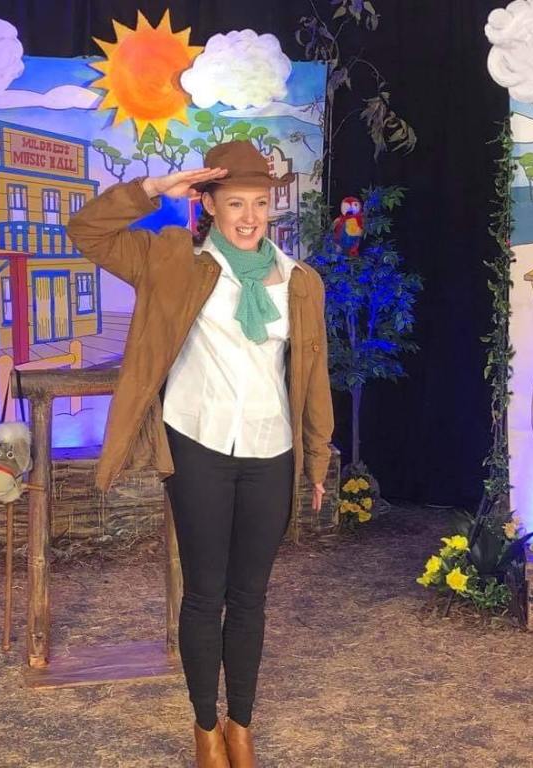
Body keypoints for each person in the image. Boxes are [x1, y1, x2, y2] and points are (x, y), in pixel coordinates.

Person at [67, 140, 333, 768]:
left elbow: (313, 374)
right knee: (205, 593)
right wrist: (154, 190)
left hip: (271, 449)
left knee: (251, 596)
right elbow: (87, 231)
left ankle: (241, 723)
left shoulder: (301, 282)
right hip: (198, 442)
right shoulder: (172, 261)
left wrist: (317, 458)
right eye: (235, 203)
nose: (249, 217)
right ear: (209, 204)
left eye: (260, 203)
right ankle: (205, 727)